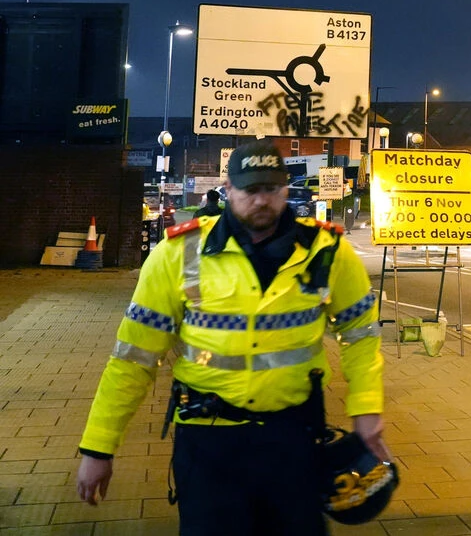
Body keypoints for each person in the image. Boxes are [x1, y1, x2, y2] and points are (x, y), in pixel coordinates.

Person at [75, 139, 389, 533]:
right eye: (250, 190)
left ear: (285, 189)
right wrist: (98, 446)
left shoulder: (327, 251)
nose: (261, 200)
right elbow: (133, 358)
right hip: (209, 445)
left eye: (271, 189)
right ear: (229, 190)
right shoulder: (178, 254)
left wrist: (366, 407)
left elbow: (360, 334)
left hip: (294, 438)